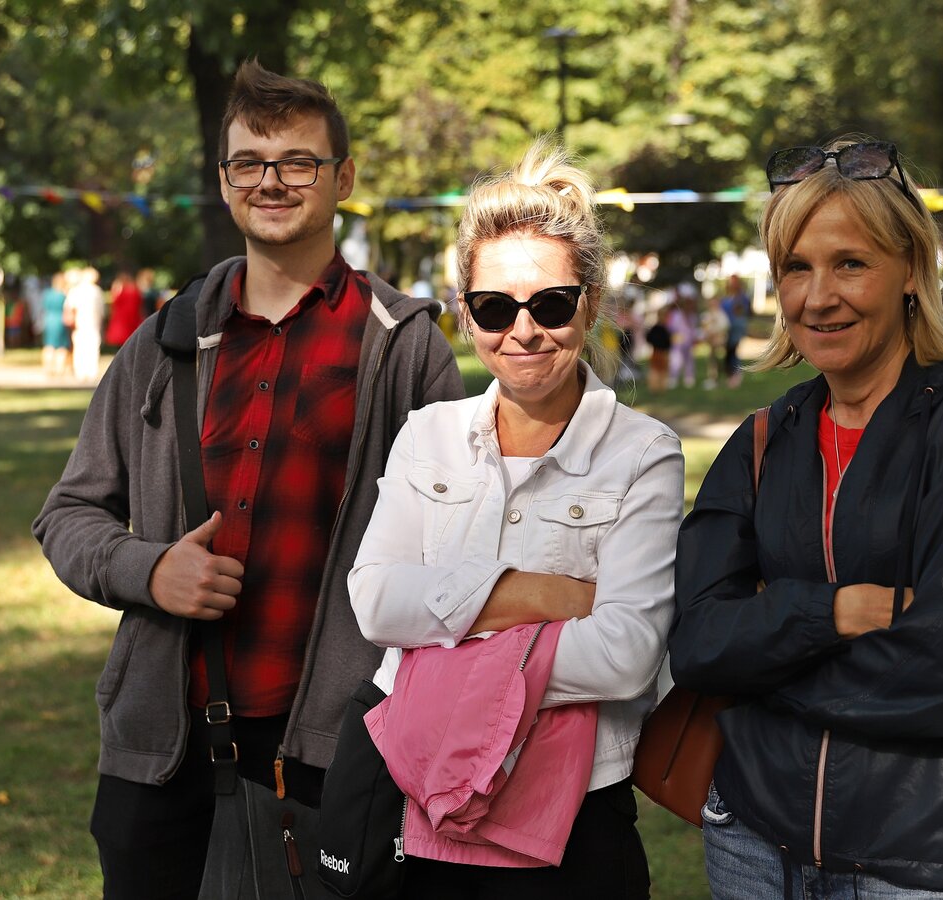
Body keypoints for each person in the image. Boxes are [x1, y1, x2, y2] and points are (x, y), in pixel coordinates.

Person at [32, 60, 463, 899]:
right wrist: (148, 569)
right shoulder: (164, 340)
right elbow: (69, 512)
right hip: (161, 749)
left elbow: (456, 550)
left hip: (333, 749)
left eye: (297, 161)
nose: (270, 182)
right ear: (225, 179)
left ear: (343, 178)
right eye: (248, 164)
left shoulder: (403, 347)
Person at [668, 138, 943, 899]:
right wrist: (834, 612)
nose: (817, 297)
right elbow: (695, 644)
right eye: (796, 267)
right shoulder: (766, 438)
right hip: (752, 842)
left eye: (850, 263)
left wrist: (764, 661)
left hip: (920, 850)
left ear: (910, 271)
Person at [349, 138, 684, 899]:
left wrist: (438, 643)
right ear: (466, 315)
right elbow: (373, 603)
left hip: (576, 819)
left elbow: (626, 655)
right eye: (495, 307)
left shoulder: (642, 453)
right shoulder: (427, 435)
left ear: (589, 305)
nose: (523, 331)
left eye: (551, 304)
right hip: (420, 803)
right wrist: (538, 596)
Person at [64, 266, 105, 382]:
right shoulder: (96, 291)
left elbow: (69, 307)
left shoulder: (75, 290)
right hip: (92, 323)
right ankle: (91, 371)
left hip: (80, 323)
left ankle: (80, 371)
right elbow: (101, 310)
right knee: (92, 347)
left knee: (79, 347)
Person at [720, 274, 750, 387]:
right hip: (726, 327)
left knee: (733, 350)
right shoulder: (727, 297)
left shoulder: (741, 298)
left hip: (736, 327)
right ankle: (730, 375)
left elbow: (742, 312)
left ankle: (736, 375)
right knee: (728, 352)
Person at [40, 272, 70, 376]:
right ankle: (59, 369)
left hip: (49, 320)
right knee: (61, 347)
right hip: (60, 320)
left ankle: (48, 368)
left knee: (49, 345)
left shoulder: (47, 294)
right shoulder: (64, 295)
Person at [105, 270, 145, 348]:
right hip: (132, 319)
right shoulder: (136, 290)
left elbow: (115, 303)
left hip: (124, 319)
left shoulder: (122, 291)